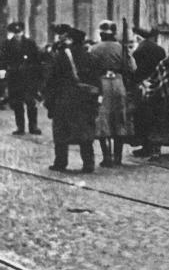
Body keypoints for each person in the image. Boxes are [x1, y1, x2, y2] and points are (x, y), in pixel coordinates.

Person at [44, 25, 100, 173]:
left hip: (64, 99)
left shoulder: (61, 56)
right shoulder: (89, 56)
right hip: (85, 100)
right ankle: (88, 163)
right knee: (85, 132)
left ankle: (61, 163)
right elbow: (96, 81)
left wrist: (49, 103)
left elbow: (51, 80)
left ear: (70, 40)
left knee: (61, 131)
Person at [89, 20, 136, 167]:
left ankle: (107, 157)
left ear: (101, 34)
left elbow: (89, 68)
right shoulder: (122, 48)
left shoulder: (94, 49)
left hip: (102, 84)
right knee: (120, 118)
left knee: (103, 119)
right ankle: (118, 158)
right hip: (118, 83)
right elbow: (132, 67)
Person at [0, 21, 43, 135]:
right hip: (14, 78)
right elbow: (3, 60)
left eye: (19, 32)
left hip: (28, 78)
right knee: (17, 103)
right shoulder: (7, 44)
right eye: (15, 32)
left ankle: (33, 126)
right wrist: (3, 76)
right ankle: (20, 127)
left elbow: (37, 60)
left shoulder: (30, 43)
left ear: (23, 31)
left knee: (30, 103)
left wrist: (36, 76)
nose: (17, 34)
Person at [131, 27, 166, 156]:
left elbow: (135, 70)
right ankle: (156, 146)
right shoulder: (160, 50)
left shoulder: (139, 50)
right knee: (156, 117)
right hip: (158, 85)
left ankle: (146, 146)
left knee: (143, 117)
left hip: (143, 87)